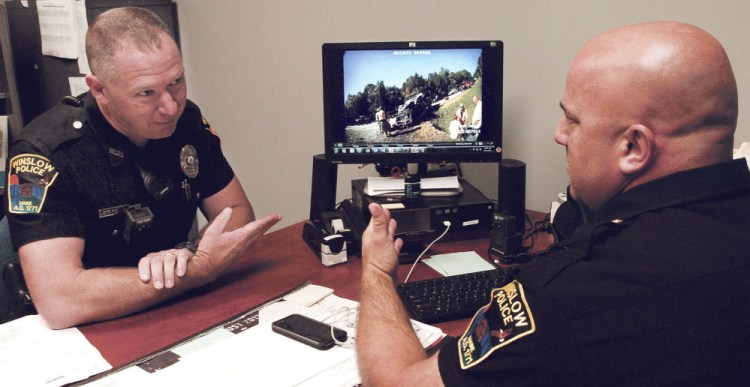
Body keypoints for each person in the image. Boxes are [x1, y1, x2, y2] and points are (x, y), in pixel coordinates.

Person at [356, 21, 750, 385]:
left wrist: (376, 269)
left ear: (633, 147)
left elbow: (396, 382)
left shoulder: (568, 297)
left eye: (573, 120)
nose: (559, 134)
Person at [3, 7, 281, 329]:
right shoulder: (42, 156)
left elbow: (236, 210)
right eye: (146, 93)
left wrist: (188, 253)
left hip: (176, 308)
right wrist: (195, 270)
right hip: (98, 327)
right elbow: (60, 301)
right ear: (99, 89)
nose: (170, 106)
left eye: (176, 82)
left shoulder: (186, 120)